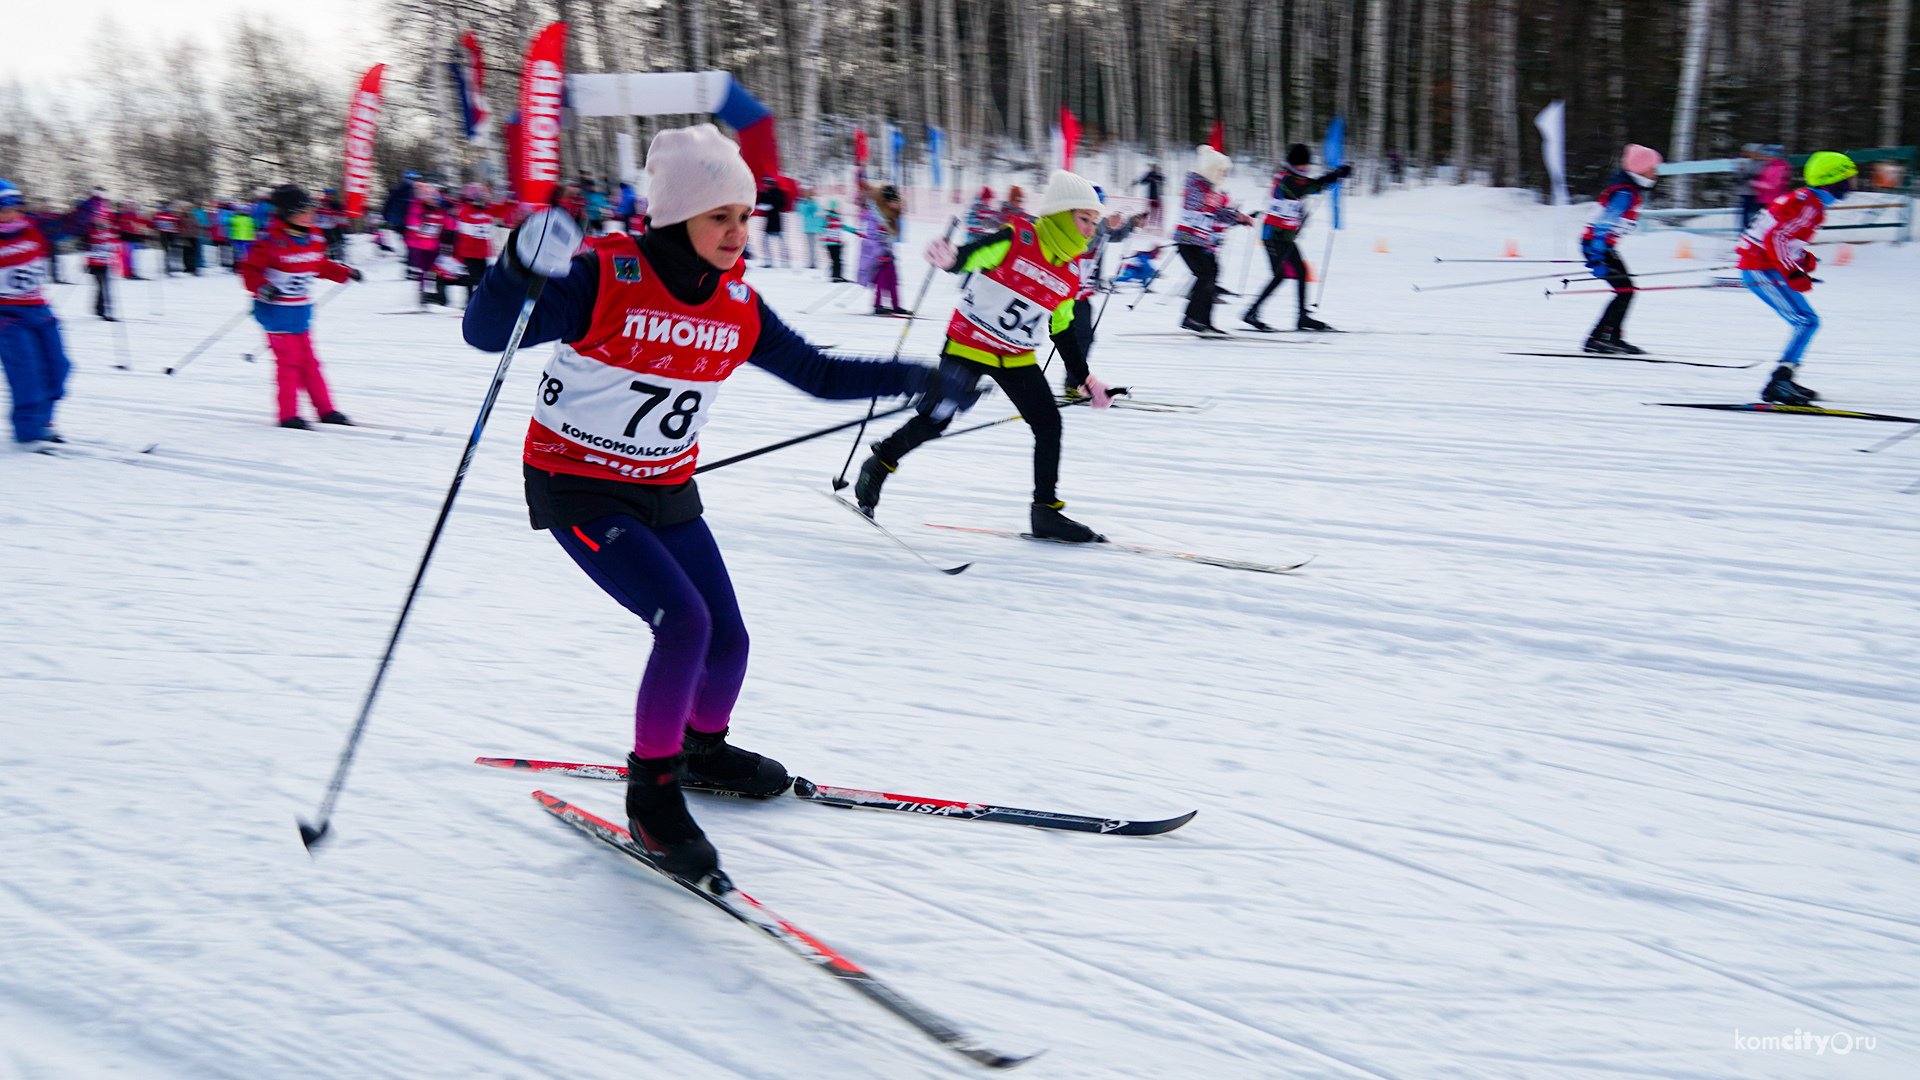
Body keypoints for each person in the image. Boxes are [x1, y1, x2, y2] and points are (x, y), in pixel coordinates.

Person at [460, 124, 945, 882]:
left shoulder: (738, 303)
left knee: (728, 640)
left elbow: (816, 374)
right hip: (578, 485)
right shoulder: (602, 275)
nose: (737, 232)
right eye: (720, 215)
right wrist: (519, 267)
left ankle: (700, 751)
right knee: (680, 624)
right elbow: (487, 333)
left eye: (745, 216)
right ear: (675, 213)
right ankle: (651, 797)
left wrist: (920, 377)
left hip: (665, 485)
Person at [854, 170, 1116, 543]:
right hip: (969, 344)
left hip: (1016, 356)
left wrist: (1084, 377)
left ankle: (1045, 513)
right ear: (1060, 214)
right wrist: (951, 259)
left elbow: (1063, 328)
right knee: (936, 419)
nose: (1090, 229)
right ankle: (879, 462)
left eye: (1094, 222)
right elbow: (974, 254)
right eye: (1084, 219)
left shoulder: (1071, 272)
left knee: (1048, 423)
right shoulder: (1020, 237)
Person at [1737, 151, 1857, 406]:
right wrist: (1793, 272)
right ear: (1832, 181)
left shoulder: (1807, 201)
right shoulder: (1810, 206)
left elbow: (1783, 237)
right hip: (1758, 268)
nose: (1852, 185)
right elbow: (1776, 238)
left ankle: (1784, 379)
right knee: (1805, 321)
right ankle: (1778, 383)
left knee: (1807, 321)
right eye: (1848, 179)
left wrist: (1802, 259)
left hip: (1763, 264)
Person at [239, 184, 364, 429]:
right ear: (287, 214)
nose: (310, 215)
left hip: (300, 312)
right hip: (275, 313)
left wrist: (346, 272)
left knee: (310, 362)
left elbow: (320, 265)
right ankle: (288, 414)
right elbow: (249, 270)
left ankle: (326, 410)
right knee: (289, 363)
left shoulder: (314, 238)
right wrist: (262, 287)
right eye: (302, 211)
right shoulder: (270, 241)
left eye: (310, 210)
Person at [1244, 144, 1352, 332]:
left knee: (1301, 271)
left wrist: (1335, 175)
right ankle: (1251, 312)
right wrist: (1335, 176)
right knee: (1280, 275)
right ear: (1295, 163)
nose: (1306, 168)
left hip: (1285, 235)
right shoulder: (1285, 179)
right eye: (1303, 165)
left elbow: (1310, 187)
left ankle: (1302, 316)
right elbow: (1308, 187)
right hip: (1274, 235)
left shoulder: (1293, 176)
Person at [0, 179, 72, 453]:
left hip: (39, 309)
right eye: (3, 209)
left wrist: (93, 209)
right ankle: (30, 432)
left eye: (14, 207)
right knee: (27, 372)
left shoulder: (33, 227)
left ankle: (45, 419)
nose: (10, 214)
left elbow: (67, 225)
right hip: (7, 316)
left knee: (59, 366)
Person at [1578, 144, 1663, 355]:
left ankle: (1605, 337)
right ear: (1641, 170)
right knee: (1625, 291)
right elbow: (1603, 225)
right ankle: (1603, 338)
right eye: (1653, 168)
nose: (1656, 173)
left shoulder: (1628, 189)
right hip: (1598, 246)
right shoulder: (1625, 193)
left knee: (1626, 291)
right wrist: (1597, 257)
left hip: (1603, 246)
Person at [1174, 145, 1254, 334]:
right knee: (1205, 275)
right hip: (1187, 239)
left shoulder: (1211, 190)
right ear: (1211, 170)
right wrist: (1219, 206)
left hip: (1201, 241)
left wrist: (1238, 218)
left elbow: (1218, 214)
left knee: (1213, 274)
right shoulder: (1195, 185)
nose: (1224, 175)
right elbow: (1195, 204)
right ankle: (1190, 318)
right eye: (1221, 171)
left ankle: (1205, 321)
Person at [859, 184, 905, 314]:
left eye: (896, 202)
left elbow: (891, 236)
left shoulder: (890, 215)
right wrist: (879, 250)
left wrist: (888, 250)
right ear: (885, 202)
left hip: (888, 253)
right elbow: (870, 236)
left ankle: (896, 305)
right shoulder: (874, 216)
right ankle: (877, 304)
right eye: (892, 202)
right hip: (876, 256)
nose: (895, 205)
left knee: (893, 280)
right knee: (881, 280)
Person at [405, 183, 450, 305]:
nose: (434, 202)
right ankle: (422, 294)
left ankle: (436, 295)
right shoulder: (418, 207)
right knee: (423, 271)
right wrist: (420, 219)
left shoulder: (440, 211)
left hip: (433, 246)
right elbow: (412, 222)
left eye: (436, 200)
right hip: (419, 245)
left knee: (436, 270)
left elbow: (448, 222)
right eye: (431, 199)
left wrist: (455, 224)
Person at [1736, 145, 1791, 232]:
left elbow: (1773, 185)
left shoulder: (1779, 167)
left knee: (1765, 222)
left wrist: (1753, 182)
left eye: (1768, 156)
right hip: (1762, 199)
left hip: (1771, 200)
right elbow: (1763, 178)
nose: (1765, 157)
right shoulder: (1769, 166)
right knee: (1757, 221)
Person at [85, 198, 119, 319]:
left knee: (103, 286)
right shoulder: (91, 231)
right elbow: (88, 243)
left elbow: (113, 243)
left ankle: (99, 309)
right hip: (95, 263)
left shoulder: (109, 230)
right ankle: (105, 311)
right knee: (104, 286)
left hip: (105, 262)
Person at [756, 176, 790, 268]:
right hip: (768, 219)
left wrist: (771, 205)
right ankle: (768, 261)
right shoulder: (764, 193)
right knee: (765, 241)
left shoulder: (778, 193)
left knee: (781, 242)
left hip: (776, 219)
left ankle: (785, 261)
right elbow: (760, 202)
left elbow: (783, 204)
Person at [796, 188, 823, 270]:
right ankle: (810, 261)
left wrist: (811, 203)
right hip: (807, 227)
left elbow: (817, 209)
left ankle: (813, 262)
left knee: (813, 246)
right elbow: (800, 211)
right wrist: (805, 203)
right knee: (809, 246)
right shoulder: (802, 203)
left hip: (814, 227)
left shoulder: (814, 202)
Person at [1135, 163, 1166, 229]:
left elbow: (1143, 181)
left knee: (1151, 211)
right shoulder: (1156, 175)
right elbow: (1143, 181)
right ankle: (1152, 225)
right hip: (1155, 197)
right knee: (1154, 212)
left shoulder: (1154, 175)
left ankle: (1148, 225)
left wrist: (1138, 181)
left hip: (1153, 196)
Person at [823, 200, 847, 282]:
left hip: (837, 242)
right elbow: (821, 226)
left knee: (837, 260)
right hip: (830, 242)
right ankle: (836, 276)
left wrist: (855, 231)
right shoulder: (828, 217)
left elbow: (843, 226)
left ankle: (836, 275)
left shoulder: (837, 217)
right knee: (836, 260)